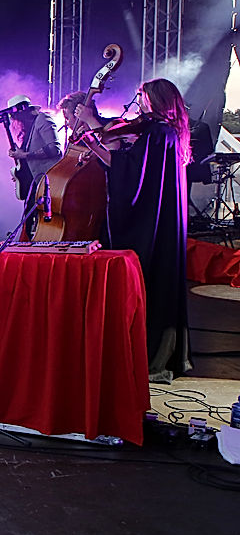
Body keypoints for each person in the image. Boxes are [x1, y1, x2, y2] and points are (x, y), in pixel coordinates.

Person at [75, 78, 191, 382]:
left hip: (151, 225)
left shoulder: (157, 132)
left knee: (148, 281)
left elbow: (129, 173)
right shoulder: (166, 132)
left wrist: (94, 141)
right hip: (163, 221)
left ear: (155, 99)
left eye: (141, 96)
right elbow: (132, 167)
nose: (137, 102)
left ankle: (148, 356)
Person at [4, 94, 62, 206]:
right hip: (33, 185)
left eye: (16, 116)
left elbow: (54, 149)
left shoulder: (43, 119)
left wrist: (24, 155)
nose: (16, 120)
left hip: (47, 184)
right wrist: (20, 174)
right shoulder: (29, 128)